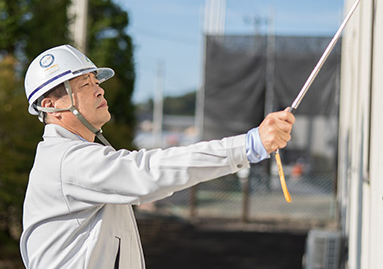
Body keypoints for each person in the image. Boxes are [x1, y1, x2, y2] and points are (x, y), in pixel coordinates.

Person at [20, 44, 294, 269]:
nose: (99, 89)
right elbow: (149, 172)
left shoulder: (73, 157)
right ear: (52, 105)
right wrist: (249, 145)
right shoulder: (66, 161)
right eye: (84, 84)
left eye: (95, 80)